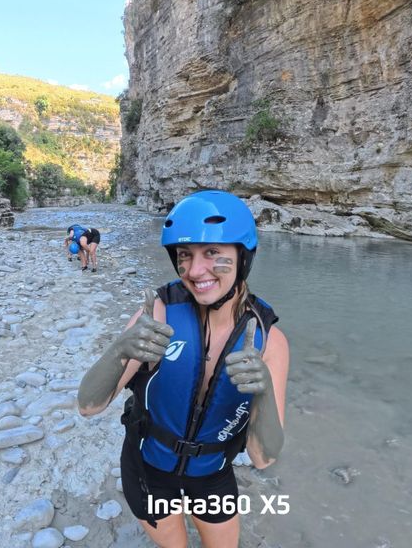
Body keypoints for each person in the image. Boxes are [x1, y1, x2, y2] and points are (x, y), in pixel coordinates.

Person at [77, 190, 290, 548]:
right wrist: (119, 350)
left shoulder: (269, 341)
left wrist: (264, 391)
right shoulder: (157, 314)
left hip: (212, 474)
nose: (194, 271)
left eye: (212, 254)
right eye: (184, 256)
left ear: (243, 256)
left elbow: (263, 457)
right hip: (149, 468)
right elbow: (88, 406)